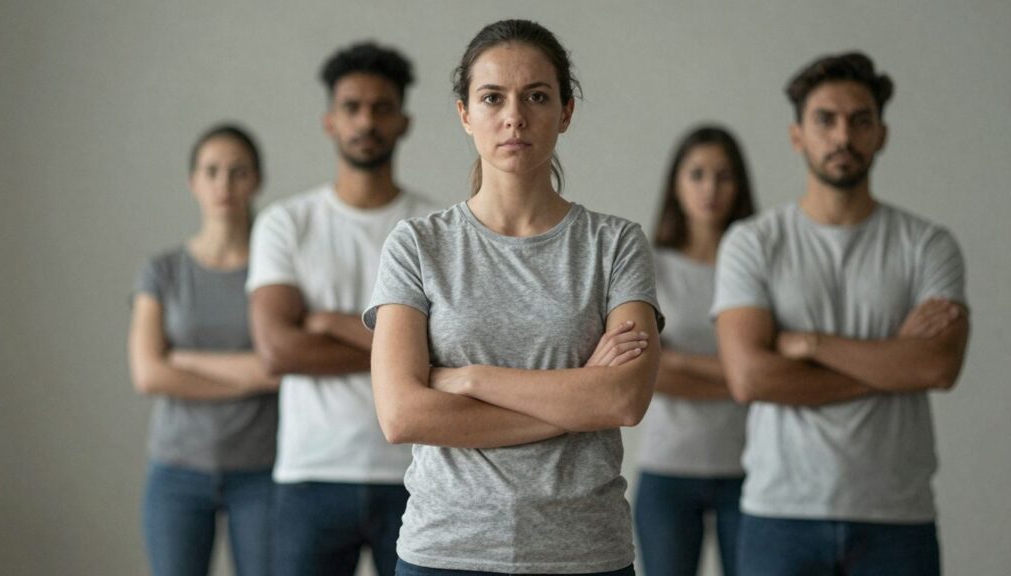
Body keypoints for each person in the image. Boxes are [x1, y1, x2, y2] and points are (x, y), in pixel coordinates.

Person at [363, 19, 663, 576]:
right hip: (443, 553)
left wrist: (470, 379)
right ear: (464, 115)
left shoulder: (615, 244)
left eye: (537, 96)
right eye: (492, 97)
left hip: (584, 555)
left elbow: (622, 401)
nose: (514, 116)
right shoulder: (417, 245)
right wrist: (576, 401)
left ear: (566, 113)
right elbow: (402, 413)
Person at [712, 52, 970, 575]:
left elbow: (937, 367)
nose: (843, 136)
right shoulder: (753, 242)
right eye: (825, 120)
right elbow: (749, 377)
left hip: (897, 516)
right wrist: (892, 363)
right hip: (780, 514)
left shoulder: (928, 245)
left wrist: (810, 345)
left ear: (882, 135)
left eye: (860, 120)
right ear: (797, 136)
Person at [247, 42, 434, 576]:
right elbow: (277, 348)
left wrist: (329, 323)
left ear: (404, 122)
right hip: (310, 474)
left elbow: (448, 349)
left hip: (415, 474)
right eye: (352, 107)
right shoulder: (287, 223)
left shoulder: (433, 229)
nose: (366, 121)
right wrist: (401, 352)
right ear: (330, 120)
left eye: (381, 107)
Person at [129, 124, 279, 576]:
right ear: (193, 181)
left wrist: (187, 360)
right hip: (176, 472)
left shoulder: (275, 272)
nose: (224, 185)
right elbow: (149, 375)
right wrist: (249, 374)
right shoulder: (163, 272)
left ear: (256, 180)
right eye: (211, 171)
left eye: (237, 172)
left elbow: (279, 368)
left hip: (262, 472)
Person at [635, 125, 756, 576]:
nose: (711, 188)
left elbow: (769, 370)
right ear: (676, 183)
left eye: (724, 176)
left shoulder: (756, 264)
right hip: (669, 468)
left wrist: (677, 359)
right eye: (698, 174)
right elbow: (645, 372)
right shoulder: (649, 264)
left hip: (748, 468)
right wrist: (740, 375)